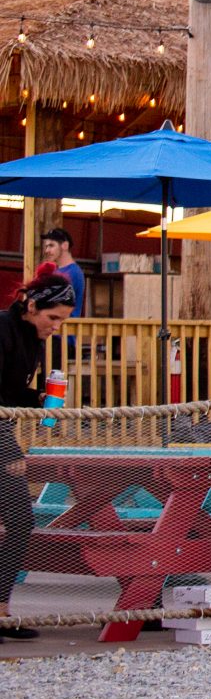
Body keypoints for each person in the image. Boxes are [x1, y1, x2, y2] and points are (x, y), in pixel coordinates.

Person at [1, 272, 76, 641]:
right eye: (53, 317)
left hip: (2, 432)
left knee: (20, 520)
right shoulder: (2, 329)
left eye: (62, 320)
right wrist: (9, 450)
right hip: (1, 439)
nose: (56, 326)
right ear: (31, 306)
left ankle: (2, 609)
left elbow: (11, 392)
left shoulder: (33, 339)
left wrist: (42, 401)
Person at [40, 228, 87, 320]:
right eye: (46, 246)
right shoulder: (55, 271)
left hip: (65, 326)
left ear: (65, 245)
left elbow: (55, 301)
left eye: (51, 245)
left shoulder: (73, 272)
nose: (47, 250)